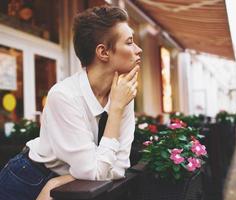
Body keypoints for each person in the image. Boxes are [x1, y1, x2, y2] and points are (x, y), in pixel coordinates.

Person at [0, 6, 142, 200]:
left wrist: (58, 182)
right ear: (103, 52)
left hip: (68, 184)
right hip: (27, 180)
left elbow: (119, 168)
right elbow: (94, 174)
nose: (138, 49)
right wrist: (116, 109)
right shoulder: (64, 96)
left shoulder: (122, 94)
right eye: (130, 42)